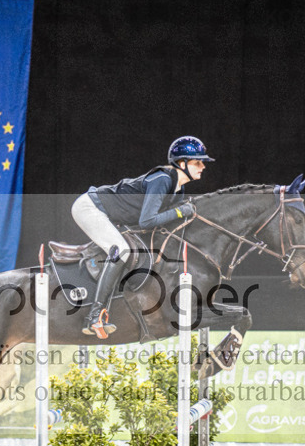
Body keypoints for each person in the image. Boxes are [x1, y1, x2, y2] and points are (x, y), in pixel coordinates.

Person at [71, 136, 210, 339]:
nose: (203, 166)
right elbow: (147, 221)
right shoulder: (162, 179)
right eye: (197, 162)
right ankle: (94, 315)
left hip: (110, 217)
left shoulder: (178, 190)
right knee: (122, 251)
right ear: (182, 163)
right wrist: (181, 212)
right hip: (90, 207)